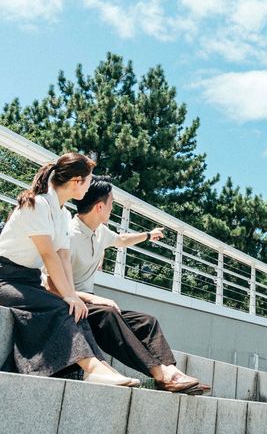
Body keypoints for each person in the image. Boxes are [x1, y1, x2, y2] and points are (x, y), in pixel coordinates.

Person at [68, 175, 210, 395]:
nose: (113, 207)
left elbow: (121, 240)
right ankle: (160, 375)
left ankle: (172, 372)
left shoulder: (99, 232)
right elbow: (50, 284)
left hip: (91, 304)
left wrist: (148, 235)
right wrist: (94, 298)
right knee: (108, 313)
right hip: (70, 304)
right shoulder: (69, 234)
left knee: (146, 322)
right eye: (111, 203)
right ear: (99, 207)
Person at [0, 154, 134, 386]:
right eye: (89, 180)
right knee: (62, 306)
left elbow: (63, 257)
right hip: (5, 278)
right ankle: (91, 369)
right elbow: (48, 254)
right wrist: (68, 296)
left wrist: (72, 295)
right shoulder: (38, 204)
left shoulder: (62, 214)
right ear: (76, 181)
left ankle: (100, 368)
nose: (90, 186)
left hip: (29, 281)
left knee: (76, 309)